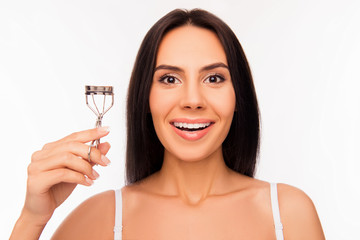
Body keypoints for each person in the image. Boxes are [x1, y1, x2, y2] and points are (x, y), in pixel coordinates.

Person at [10, 8, 325, 240]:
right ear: (145, 98)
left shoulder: (288, 213)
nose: (192, 99)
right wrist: (32, 219)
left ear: (237, 95)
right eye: (169, 79)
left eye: (213, 78)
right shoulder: (99, 220)